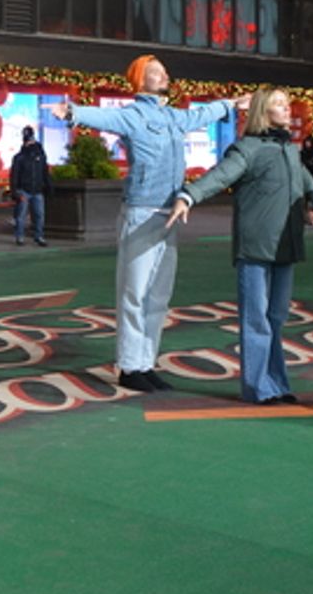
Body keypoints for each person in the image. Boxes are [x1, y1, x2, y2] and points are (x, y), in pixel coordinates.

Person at [48, 55, 249, 393]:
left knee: (158, 295)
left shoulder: (172, 116)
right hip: (142, 212)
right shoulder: (133, 115)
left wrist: (231, 104)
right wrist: (72, 112)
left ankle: (145, 363)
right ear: (140, 80)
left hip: (170, 213)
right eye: (156, 72)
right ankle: (129, 367)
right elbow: (103, 116)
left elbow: (200, 114)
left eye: (164, 71)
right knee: (135, 293)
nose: (164, 76)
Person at [167, 89, 313, 404]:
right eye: (278, 104)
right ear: (263, 112)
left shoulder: (288, 149)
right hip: (254, 247)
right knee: (256, 319)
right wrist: (189, 196)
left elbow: (304, 178)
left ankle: (277, 384)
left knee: (276, 317)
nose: (286, 108)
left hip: (286, 245)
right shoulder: (248, 149)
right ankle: (258, 387)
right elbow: (220, 176)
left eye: (286, 103)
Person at [9, 126, 52, 246]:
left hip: (37, 189)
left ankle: (39, 236)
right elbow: (14, 175)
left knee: (39, 215)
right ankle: (20, 237)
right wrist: (15, 192)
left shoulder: (40, 156)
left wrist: (48, 186)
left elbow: (45, 172)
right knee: (21, 215)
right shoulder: (19, 158)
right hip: (24, 190)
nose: (29, 142)